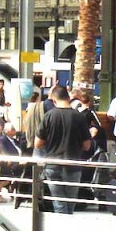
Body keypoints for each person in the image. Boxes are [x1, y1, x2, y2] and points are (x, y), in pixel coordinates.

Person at [35, 85, 91, 214]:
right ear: (68, 98)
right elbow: (87, 145)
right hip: (73, 164)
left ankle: (61, 230)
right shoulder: (79, 117)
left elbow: (37, 143)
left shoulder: (49, 116)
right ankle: (67, 228)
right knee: (70, 204)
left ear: (54, 100)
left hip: (53, 165)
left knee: (59, 203)